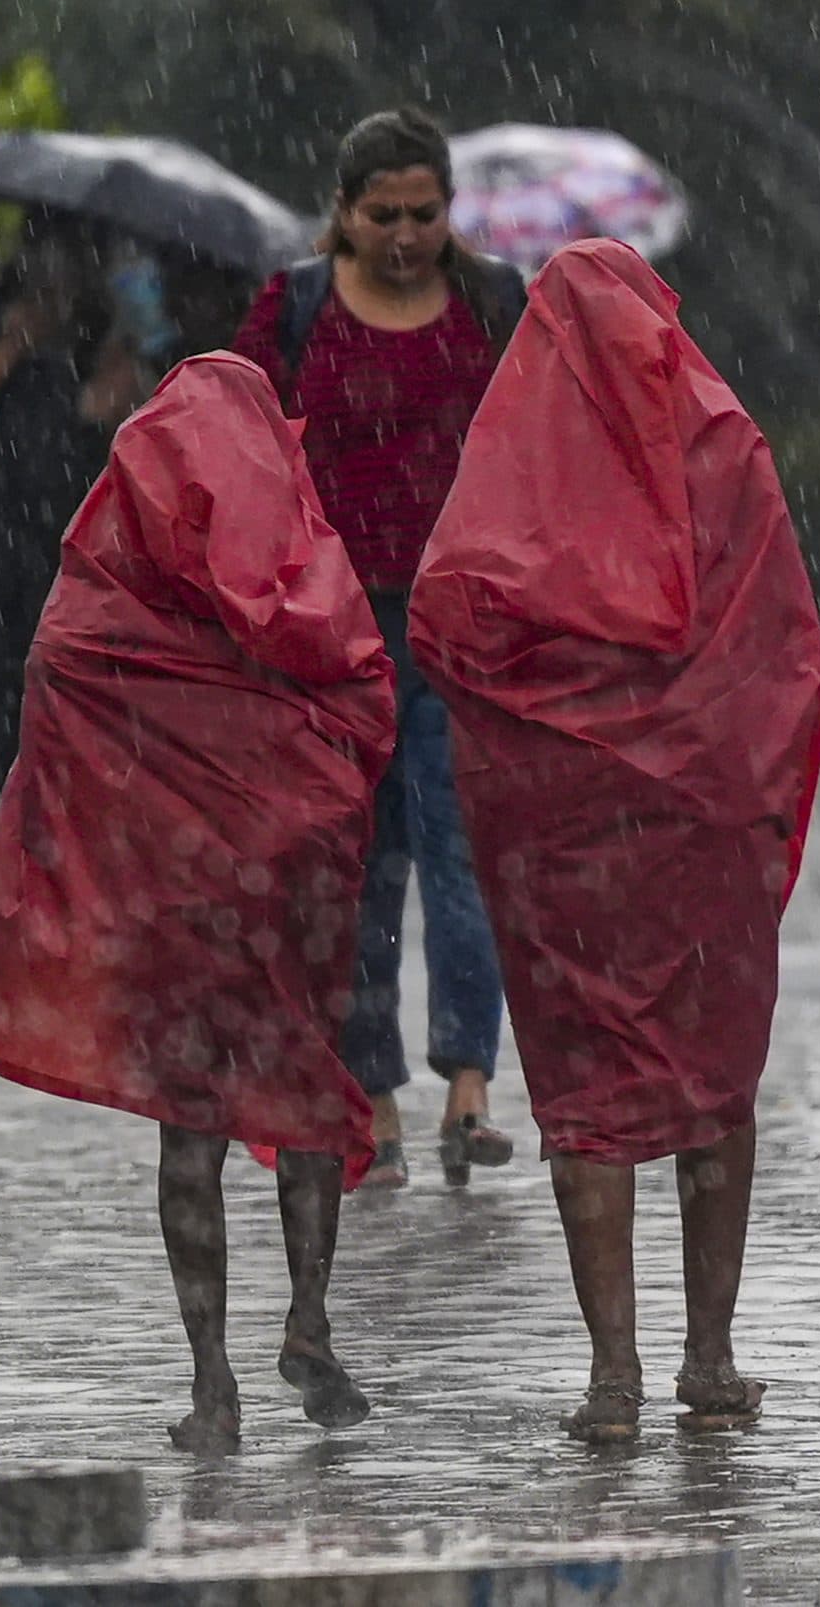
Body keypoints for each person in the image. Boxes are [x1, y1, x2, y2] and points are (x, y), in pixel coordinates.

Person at [0, 352, 394, 1458]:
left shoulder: (115, 562)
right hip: (281, 880)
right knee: (302, 1087)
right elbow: (359, 685)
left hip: (169, 893)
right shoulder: (292, 545)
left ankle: (211, 1381)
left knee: (192, 1128)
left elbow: (58, 683)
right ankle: (310, 1318)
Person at [408, 241, 820, 1442]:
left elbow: (446, 628)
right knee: (713, 1079)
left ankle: (613, 1375)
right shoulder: (722, 444)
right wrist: (731, 771)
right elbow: (783, 650)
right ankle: (710, 1355)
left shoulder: (513, 466)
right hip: (702, 827)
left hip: (563, 838)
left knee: (586, 1086)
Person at [232, 105, 528, 1190]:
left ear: (450, 211)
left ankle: (469, 1085)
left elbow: (540, 437)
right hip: (334, 628)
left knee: (462, 852)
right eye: (383, 215)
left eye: (423, 214)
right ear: (343, 213)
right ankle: (374, 1095)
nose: (405, 236)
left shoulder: (495, 303)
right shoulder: (295, 308)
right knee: (358, 864)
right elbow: (238, 430)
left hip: (463, 622)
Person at [0, 214, 120, 844]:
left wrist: (107, 389)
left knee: (68, 730)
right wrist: (12, 346)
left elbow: (116, 434)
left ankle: (50, 852)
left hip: (68, 569)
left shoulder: (105, 341)